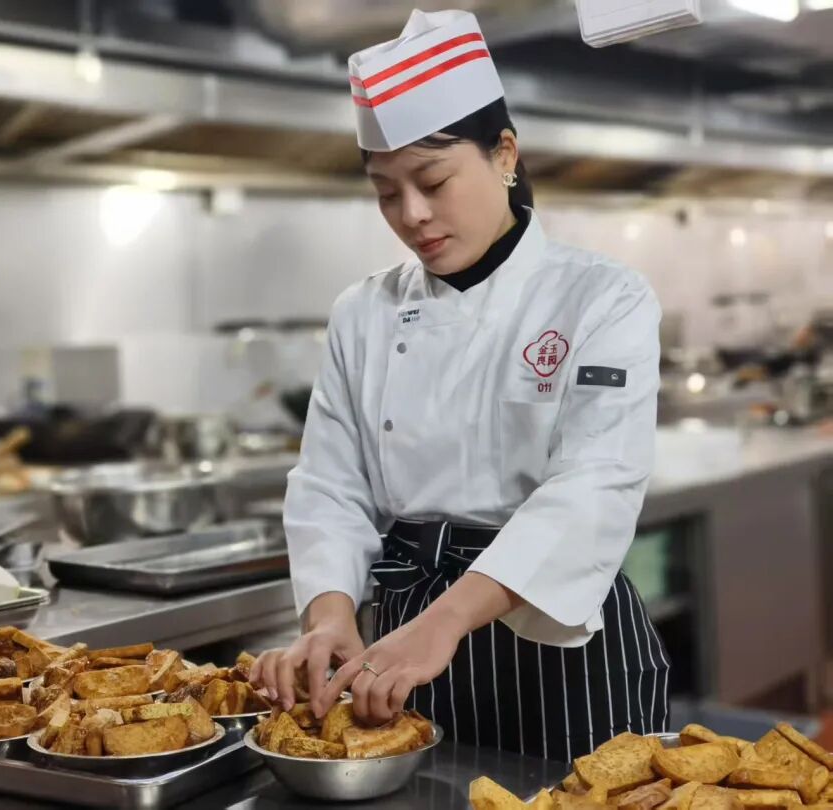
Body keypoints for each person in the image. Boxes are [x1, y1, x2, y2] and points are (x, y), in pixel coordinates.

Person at [250, 8, 669, 761]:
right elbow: (329, 486)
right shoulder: (362, 311)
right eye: (386, 192)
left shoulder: (602, 297)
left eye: (433, 181)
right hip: (401, 643)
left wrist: (446, 622)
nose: (412, 215)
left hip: (555, 642)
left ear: (504, 153)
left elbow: (595, 485)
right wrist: (330, 614)